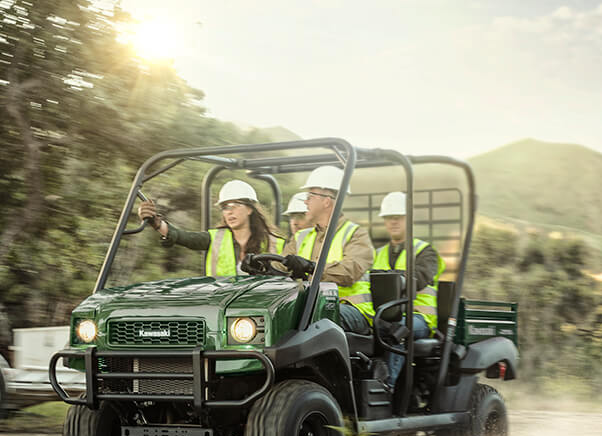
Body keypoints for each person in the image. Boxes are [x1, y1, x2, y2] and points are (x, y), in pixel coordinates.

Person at [349, 191, 446, 388]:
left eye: (398, 217)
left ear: (408, 219)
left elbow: (419, 278)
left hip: (418, 317)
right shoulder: (377, 254)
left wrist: (394, 278)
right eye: (388, 218)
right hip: (384, 315)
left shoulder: (425, 251)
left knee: (398, 331)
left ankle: (386, 387)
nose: (393, 222)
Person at [278, 165, 374, 335]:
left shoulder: (356, 235)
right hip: (309, 306)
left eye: (310, 196)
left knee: (311, 318)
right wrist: (259, 266)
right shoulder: (301, 236)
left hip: (350, 308)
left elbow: (348, 272)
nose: (305, 201)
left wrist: (310, 267)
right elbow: (280, 264)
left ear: (326, 201)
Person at [138, 179, 285, 277]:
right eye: (225, 207)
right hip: (222, 308)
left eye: (235, 205)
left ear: (249, 209)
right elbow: (183, 237)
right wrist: (156, 224)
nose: (229, 212)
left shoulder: (274, 243)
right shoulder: (215, 238)